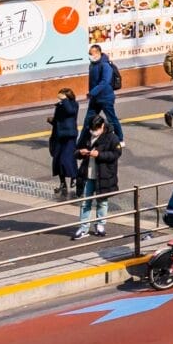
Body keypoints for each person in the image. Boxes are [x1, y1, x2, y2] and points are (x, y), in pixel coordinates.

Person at [71, 108, 122, 240]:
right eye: (91, 129)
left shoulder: (111, 137)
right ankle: (83, 228)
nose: (93, 132)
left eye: (96, 129)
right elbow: (76, 151)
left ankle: (100, 225)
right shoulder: (87, 135)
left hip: (103, 174)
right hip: (87, 174)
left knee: (102, 202)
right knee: (85, 202)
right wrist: (80, 153)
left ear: (102, 126)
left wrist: (99, 154)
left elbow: (116, 154)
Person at [47, 88, 81, 199]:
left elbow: (70, 112)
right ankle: (63, 183)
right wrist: (52, 121)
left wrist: (65, 100)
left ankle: (74, 177)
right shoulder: (60, 105)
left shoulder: (73, 105)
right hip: (58, 136)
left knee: (66, 158)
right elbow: (60, 120)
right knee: (57, 160)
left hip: (69, 136)